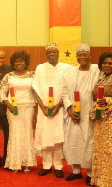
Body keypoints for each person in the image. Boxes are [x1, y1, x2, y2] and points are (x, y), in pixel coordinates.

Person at [61, 43, 100, 185]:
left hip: (91, 112)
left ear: (90, 55)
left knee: (89, 141)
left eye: (85, 54)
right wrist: (69, 110)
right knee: (73, 140)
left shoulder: (97, 70)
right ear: (76, 57)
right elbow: (64, 92)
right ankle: (76, 171)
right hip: (74, 114)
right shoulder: (69, 72)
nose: (82, 57)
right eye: (79, 55)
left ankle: (90, 173)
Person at [32, 42, 71, 178]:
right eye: (49, 52)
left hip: (60, 109)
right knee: (46, 137)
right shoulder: (40, 68)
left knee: (58, 137)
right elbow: (35, 88)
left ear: (58, 53)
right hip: (44, 109)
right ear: (46, 54)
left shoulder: (67, 68)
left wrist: (59, 105)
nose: (52, 54)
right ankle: (46, 165)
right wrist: (42, 106)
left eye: (54, 52)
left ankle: (59, 166)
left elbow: (70, 89)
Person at [0, 50, 37, 173]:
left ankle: (27, 163)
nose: (19, 63)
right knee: (15, 133)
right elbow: (1, 92)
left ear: (26, 62)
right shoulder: (8, 76)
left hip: (28, 107)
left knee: (27, 133)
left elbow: (36, 92)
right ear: (13, 63)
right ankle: (15, 162)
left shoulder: (32, 75)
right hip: (12, 108)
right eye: (16, 61)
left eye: (21, 61)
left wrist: (37, 108)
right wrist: (7, 104)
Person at [90, 52, 112, 186]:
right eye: (104, 63)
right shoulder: (102, 78)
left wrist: (108, 100)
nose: (107, 65)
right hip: (101, 119)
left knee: (109, 150)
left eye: (110, 63)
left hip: (110, 120)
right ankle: (101, 180)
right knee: (100, 149)